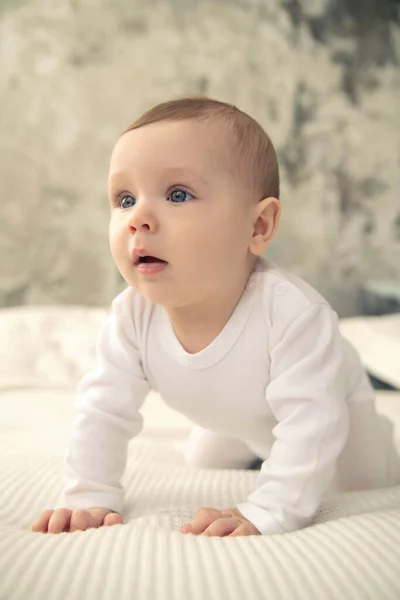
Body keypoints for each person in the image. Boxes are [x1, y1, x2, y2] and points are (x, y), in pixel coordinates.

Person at [32, 96, 400, 537]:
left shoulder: (295, 316)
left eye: (178, 194)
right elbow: (103, 410)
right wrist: (88, 493)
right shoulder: (132, 316)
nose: (138, 219)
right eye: (124, 198)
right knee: (202, 459)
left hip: (337, 415)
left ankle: (378, 433)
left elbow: (312, 425)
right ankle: (257, 448)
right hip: (238, 415)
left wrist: (268, 509)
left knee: (358, 481)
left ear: (258, 227)